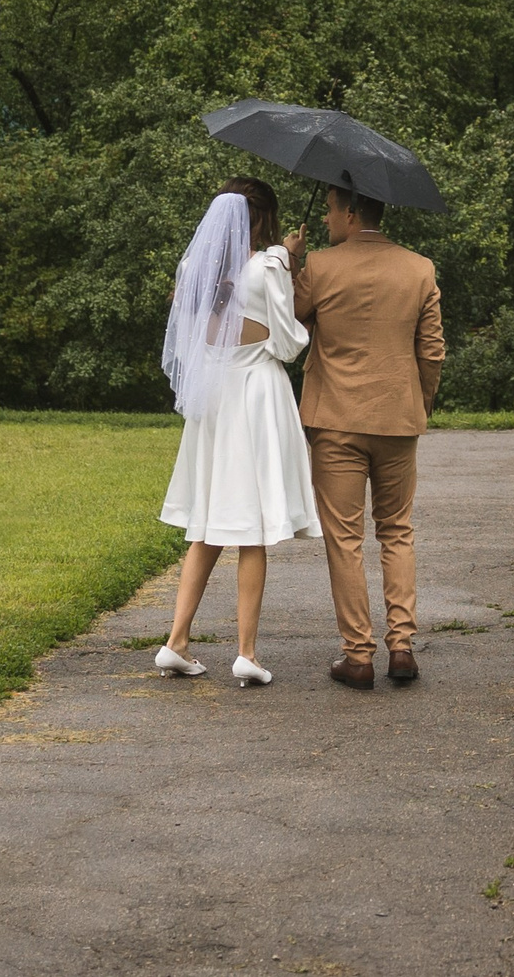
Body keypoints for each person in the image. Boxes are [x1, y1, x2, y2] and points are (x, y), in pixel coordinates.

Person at [154, 178, 322, 686]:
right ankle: (246, 652)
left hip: (215, 399)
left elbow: (195, 337)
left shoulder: (193, 267)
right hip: (255, 398)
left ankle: (176, 641)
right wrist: (289, 265)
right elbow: (291, 344)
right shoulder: (268, 265)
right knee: (251, 531)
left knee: (207, 524)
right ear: (264, 218)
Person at [283, 182, 444, 690]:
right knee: (397, 529)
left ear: (351, 213)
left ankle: (357, 655)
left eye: (331, 211)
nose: (327, 220)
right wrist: (421, 401)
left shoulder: (323, 266)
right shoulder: (420, 269)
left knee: (345, 538)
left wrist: (292, 263)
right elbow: (432, 350)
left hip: (335, 420)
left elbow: (290, 320)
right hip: (398, 418)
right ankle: (402, 646)